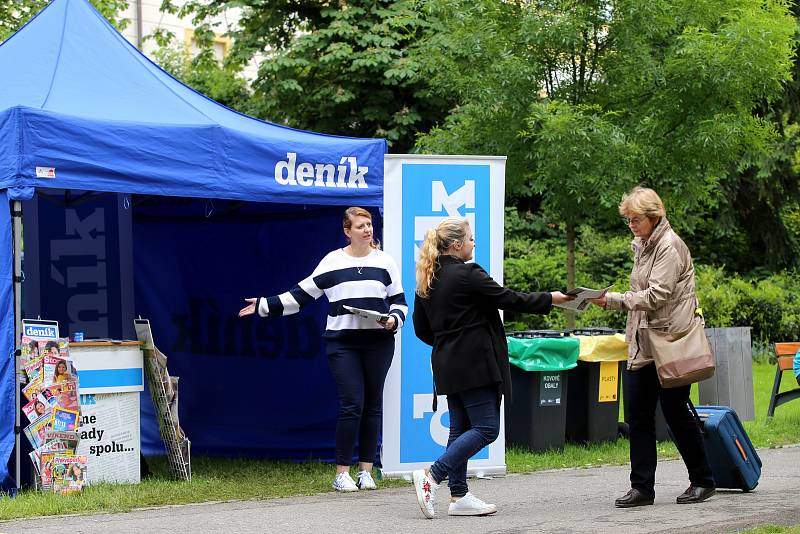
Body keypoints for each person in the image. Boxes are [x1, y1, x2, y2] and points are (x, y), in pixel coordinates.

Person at [410, 217, 573, 519]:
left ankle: (458, 496)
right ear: (456, 245)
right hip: (475, 362)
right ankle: (433, 475)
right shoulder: (468, 273)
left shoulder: (428, 278)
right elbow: (510, 299)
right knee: (486, 428)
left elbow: (421, 329)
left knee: (459, 429)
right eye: (471, 238)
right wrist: (555, 299)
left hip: (446, 363)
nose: (474, 243)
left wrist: (449, 342)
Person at [239, 207, 407, 492]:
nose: (367, 230)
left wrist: (393, 320)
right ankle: (342, 473)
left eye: (369, 225)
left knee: (372, 405)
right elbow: (301, 295)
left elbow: (400, 302)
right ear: (347, 231)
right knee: (353, 403)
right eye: (360, 226)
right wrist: (264, 305)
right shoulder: (333, 261)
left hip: (378, 342)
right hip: (342, 343)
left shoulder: (385, 262)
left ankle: (366, 470)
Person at [588, 186, 716, 507]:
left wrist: (612, 300)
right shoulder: (644, 245)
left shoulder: (669, 247)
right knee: (638, 416)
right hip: (643, 343)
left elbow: (656, 295)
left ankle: (703, 480)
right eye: (628, 220)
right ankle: (642, 488)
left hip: (670, 342)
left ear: (654, 217)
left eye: (635, 220)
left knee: (675, 412)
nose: (631, 225)